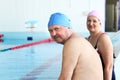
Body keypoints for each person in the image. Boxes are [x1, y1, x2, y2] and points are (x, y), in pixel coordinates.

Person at [48, 12, 103, 80]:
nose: (53, 34)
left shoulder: (72, 43)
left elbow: (65, 78)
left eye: (57, 29)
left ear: (68, 27)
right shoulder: (79, 40)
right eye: (50, 31)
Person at [86, 10, 116, 80]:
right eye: (89, 20)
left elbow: (109, 66)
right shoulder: (89, 38)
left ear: (100, 22)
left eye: (94, 21)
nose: (91, 23)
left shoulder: (103, 38)